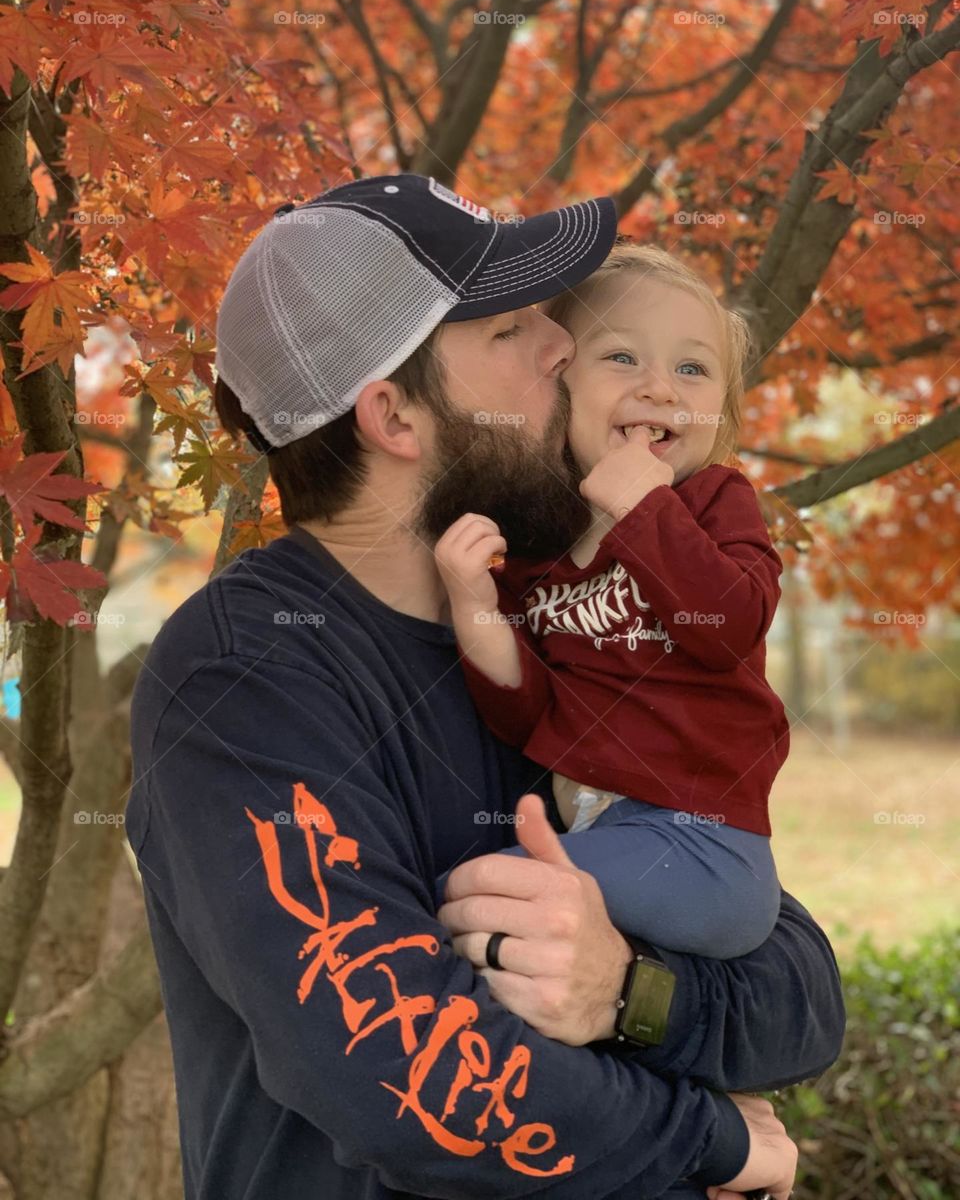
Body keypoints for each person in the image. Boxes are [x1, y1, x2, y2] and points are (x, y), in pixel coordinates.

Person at [127, 173, 844, 1200]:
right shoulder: (247, 676)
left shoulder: (563, 606)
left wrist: (630, 991)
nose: (564, 342)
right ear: (396, 415)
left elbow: (799, 985)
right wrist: (710, 1139)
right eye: (511, 328)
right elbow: (402, 1070)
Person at [434, 243, 787, 960]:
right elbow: (525, 714)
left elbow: (729, 626)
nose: (662, 388)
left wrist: (643, 508)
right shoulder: (539, 548)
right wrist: (475, 604)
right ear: (559, 385)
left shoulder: (714, 502)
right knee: (507, 945)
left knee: (465, 900)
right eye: (623, 358)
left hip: (700, 846)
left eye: (692, 369)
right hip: (599, 837)